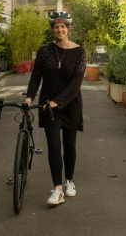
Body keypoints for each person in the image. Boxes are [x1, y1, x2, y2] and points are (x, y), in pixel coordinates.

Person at [25, 11, 86, 206]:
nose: (59, 29)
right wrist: (28, 99)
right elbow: (36, 78)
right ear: (53, 29)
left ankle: (69, 181)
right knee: (53, 146)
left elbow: (76, 83)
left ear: (68, 28)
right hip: (47, 105)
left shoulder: (79, 51)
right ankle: (57, 189)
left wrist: (59, 101)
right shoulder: (44, 51)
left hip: (70, 105)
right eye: (56, 27)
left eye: (63, 26)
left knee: (69, 146)